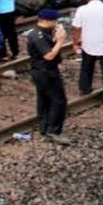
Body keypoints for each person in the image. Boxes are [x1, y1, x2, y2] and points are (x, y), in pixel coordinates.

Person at [24, 9, 70, 142]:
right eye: (55, 21)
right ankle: (53, 131)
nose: (56, 23)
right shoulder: (38, 36)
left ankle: (44, 127)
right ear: (46, 21)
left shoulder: (42, 33)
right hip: (46, 72)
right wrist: (61, 41)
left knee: (44, 100)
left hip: (41, 71)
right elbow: (49, 55)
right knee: (58, 101)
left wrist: (56, 38)